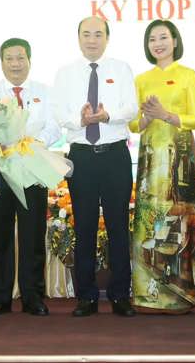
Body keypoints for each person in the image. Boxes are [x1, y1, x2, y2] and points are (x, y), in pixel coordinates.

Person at [51, 16, 138, 317]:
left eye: (98, 34)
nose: (92, 39)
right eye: (86, 34)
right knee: (84, 226)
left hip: (115, 155)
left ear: (107, 38)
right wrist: (81, 120)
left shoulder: (122, 69)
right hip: (82, 156)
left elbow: (132, 108)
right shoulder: (65, 73)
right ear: (78, 38)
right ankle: (85, 296)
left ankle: (119, 295)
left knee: (117, 226)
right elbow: (59, 113)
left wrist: (107, 115)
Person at [0, 38, 60, 317]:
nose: (15, 64)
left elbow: (54, 126)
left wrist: (35, 142)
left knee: (32, 233)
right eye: (9, 58)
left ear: (30, 60)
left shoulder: (44, 92)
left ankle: (33, 296)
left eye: (20, 58)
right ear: (1, 62)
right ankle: (0, 297)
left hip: (32, 166)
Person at [129, 20, 195, 313]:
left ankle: (182, 291)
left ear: (174, 40)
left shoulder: (188, 76)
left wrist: (165, 114)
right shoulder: (142, 79)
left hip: (179, 153)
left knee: (179, 218)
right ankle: (146, 292)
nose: (157, 43)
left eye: (163, 37)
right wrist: (146, 119)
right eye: (152, 39)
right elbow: (134, 123)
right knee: (150, 218)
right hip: (150, 154)